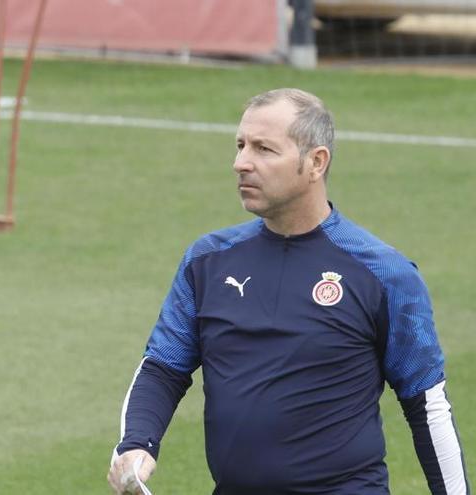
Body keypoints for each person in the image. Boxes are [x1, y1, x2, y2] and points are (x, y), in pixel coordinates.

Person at [107, 88, 469, 494]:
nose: (241, 163)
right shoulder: (207, 261)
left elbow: (427, 406)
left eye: (264, 149)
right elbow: (163, 367)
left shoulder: (383, 274)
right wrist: (137, 443)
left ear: (315, 162)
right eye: (241, 145)